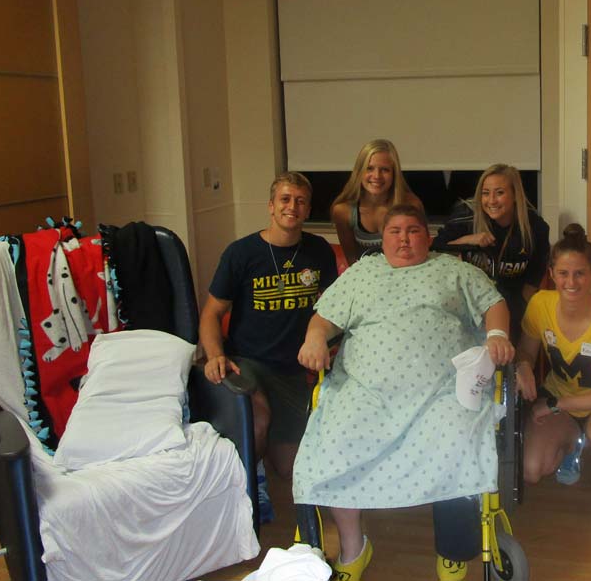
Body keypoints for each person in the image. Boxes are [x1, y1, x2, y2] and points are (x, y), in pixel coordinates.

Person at [294, 204, 513, 581]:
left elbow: (494, 303)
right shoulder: (361, 274)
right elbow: (323, 319)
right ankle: (353, 548)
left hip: (443, 390)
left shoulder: (455, 271)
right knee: (335, 439)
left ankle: (454, 550)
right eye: (395, 231)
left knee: (458, 438)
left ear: (428, 237)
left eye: (413, 230)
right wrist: (315, 338)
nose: (404, 239)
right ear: (382, 240)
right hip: (365, 390)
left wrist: (496, 334)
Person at [199, 172, 338, 506]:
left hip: (293, 370)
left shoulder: (318, 250)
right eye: (285, 199)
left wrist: (326, 343)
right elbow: (211, 314)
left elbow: (333, 306)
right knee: (257, 421)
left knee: (288, 469)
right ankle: (244, 493)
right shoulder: (241, 253)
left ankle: (259, 462)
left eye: (301, 201)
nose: (293, 207)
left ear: (308, 210)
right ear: (271, 206)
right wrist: (215, 355)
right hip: (248, 361)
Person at [515, 224, 591, 538]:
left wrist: (556, 404)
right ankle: (574, 443)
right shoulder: (540, 304)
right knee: (531, 470)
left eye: (580, 273)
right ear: (552, 274)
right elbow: (526, 351)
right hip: (562, 401)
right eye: (563, 273)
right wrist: (524, 365)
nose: (571, 282)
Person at [431, 164, 549, 342]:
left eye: (499, 193)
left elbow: (535, 273)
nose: (491, 200)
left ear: (515, 195)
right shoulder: (466, 216)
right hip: (471, 300)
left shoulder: (534, 226)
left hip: (511, 300)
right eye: (486, 193)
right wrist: (468, 240)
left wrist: (522, 309)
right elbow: (436, 248)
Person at [330, 139, 422, 265]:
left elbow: (421, 251)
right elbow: (352, 263)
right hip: (367, 275)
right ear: (359, 171)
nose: (377, 176)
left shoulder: (411, 205)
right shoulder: (343, 211)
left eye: (385, 170)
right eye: (369, 168)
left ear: (394, 173)